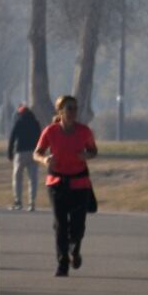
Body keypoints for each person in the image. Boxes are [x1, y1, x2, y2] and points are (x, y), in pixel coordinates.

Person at [33, 95, 97, 277]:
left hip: (80, 183)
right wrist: (45, 159)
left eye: (75, 108)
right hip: (57, 183)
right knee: (60, 224)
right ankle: (62, 263)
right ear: (60, 112)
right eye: (69, 108)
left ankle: (74, 250)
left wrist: (87, 155)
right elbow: (36, 153)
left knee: (77, 226)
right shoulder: (50, 131)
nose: (73, 112)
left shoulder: (84, 131)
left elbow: (93, 151)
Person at [7, 103, 42, 211]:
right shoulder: (36, 123)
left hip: (20, 153)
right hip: (33, 153)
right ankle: (31, 203)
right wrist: (40, 152)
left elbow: (12, 138)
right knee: (33, 179)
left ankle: (18, 202)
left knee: (17, 178)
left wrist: (10, 152)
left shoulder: (19, 122)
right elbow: (41, 138)